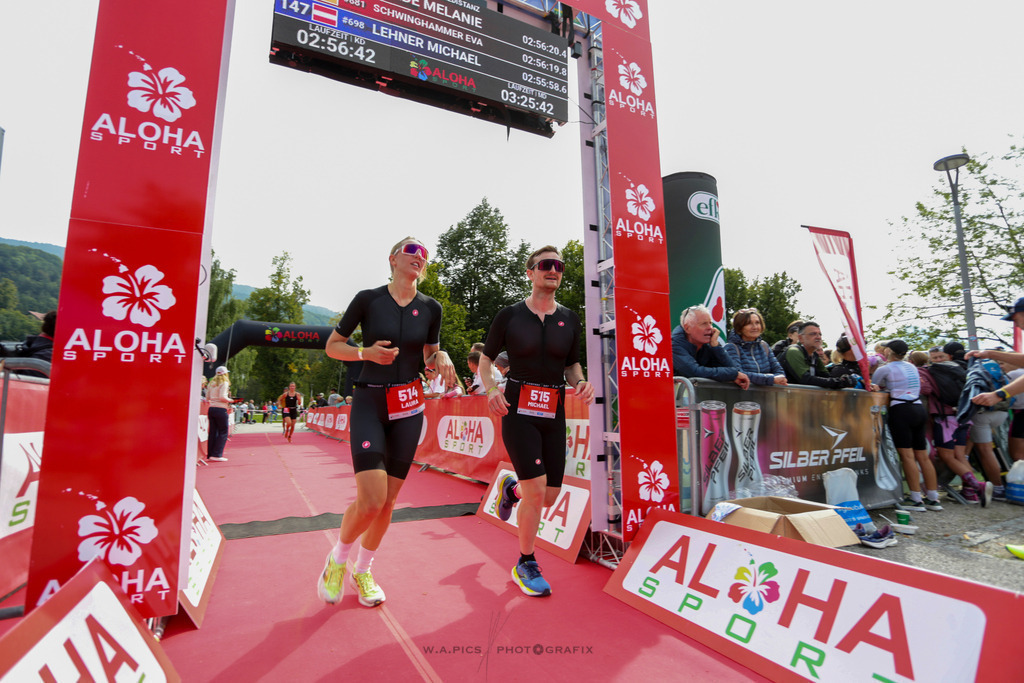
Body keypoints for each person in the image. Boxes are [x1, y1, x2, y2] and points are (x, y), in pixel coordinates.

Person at [317, 237, 456, 608]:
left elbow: (428, 354)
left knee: (389, 500)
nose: (418, 258)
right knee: (371, 499)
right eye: (412, 251)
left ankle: (364, 571)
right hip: (370, 402)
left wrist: (441, 356)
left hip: (409, 406)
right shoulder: (368, 299)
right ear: (393, 258)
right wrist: (365, 353)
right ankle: (338, 560)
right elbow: (333, 345)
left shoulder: (431, 308)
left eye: (424, 255)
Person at [479, 245, 594, 597]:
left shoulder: (570, 318)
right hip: (518, 409)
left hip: (553, 410)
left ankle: (510, 489)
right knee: (537, 488)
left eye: (559, 265)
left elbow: (571, 364)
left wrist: (580, 382)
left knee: (548, 496)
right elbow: (485, 361)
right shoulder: (510, 315)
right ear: (529, 272)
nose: (553, 270)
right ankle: (525, 562)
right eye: (545, 265)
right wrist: (490, 390)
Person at [870, 340, 942, 511]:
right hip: (918, 408)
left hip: (901, 410)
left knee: (907, 456)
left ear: (888, 351)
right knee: (922, 456)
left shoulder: (885, 368)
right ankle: (933, 497)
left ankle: (916, 499)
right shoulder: (912, 367)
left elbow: (874, 385)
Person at [671, 305, 750, 389]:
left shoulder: (707, 345)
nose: (710, 328)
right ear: (687, 328)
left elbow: (732, 368)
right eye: (704, 324)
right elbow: (694, 372)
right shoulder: (674, 345)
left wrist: (716, 346)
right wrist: (733, 374)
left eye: (710, 323)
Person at [781, 322, 858, 389]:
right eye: (813, 334)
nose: (818, 337)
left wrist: (847, 380)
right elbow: (806, 379)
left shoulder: (814, 356)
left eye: (819, 334)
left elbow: (826, 377)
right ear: (800, 338)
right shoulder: (793, 351)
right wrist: (839, 382)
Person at [723, 308, 787, 386]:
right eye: (749, 323)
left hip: (765, 396)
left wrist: (774, 379)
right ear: (739, 327)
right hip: (742, 396)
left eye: (757, 323)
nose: (755, 327)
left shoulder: (764, 346)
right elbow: (739, 374)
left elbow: (779, 372)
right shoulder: (731, 347)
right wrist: (770, 379)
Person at [206, 366, 231, 463]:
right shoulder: (224, 383)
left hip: (211, 408)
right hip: (221, 408)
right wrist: (231, 400)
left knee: (213, 432)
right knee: (223, 431)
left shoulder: (211, 383)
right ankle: (217, 454)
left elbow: (207, 396)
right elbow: (222, 397)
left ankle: (211, 453)